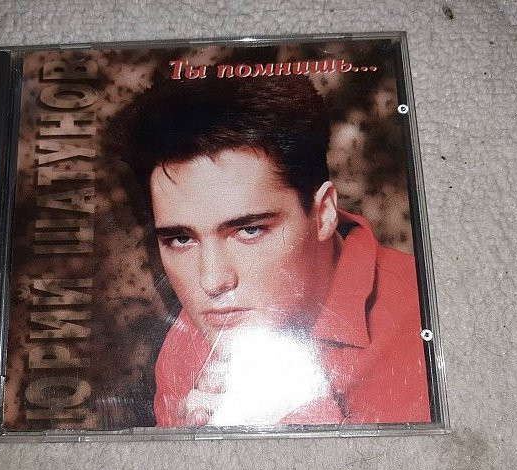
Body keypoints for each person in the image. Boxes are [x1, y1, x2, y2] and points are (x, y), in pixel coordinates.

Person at [108, 71, 430, 427]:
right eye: (181, 239)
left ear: (323, 214)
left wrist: (298, 419)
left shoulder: (429, 319)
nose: (212, 282)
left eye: (249, 230)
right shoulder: (190, 340)